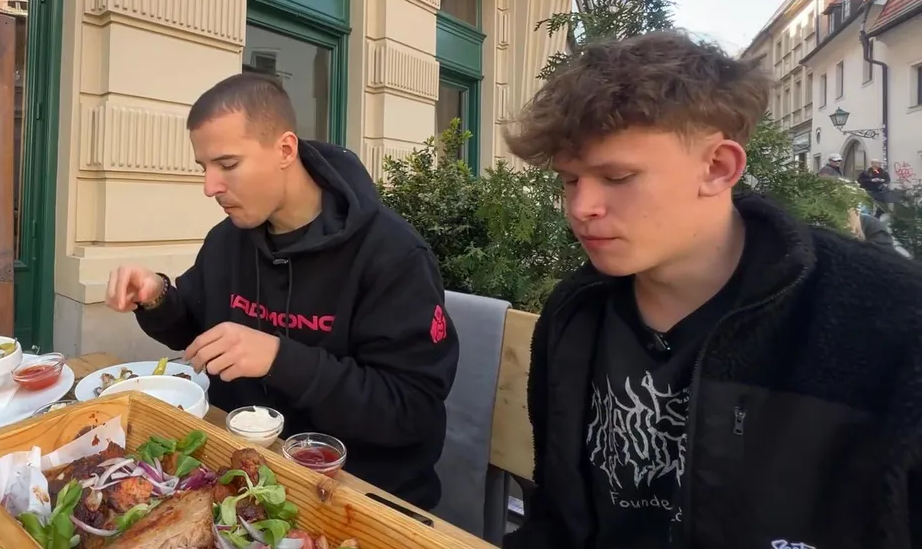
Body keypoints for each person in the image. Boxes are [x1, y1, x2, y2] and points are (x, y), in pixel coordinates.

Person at [499, 31, 922, 549]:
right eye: (569, 180)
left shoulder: (890, 323)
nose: (581, 207)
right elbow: (555, 519)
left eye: (617, 177)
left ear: (719, 168)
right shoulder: (576, 312)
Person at [104, 73, 459, 509]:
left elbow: (412, 410)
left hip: (358, 496)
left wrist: (280, 359)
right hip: (242, 476)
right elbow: (196, 331)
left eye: (227, 165)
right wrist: (156, 295)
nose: (210, 187)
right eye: (204, 167)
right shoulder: (228, 240)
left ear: (285, 150)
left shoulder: (393, 255)